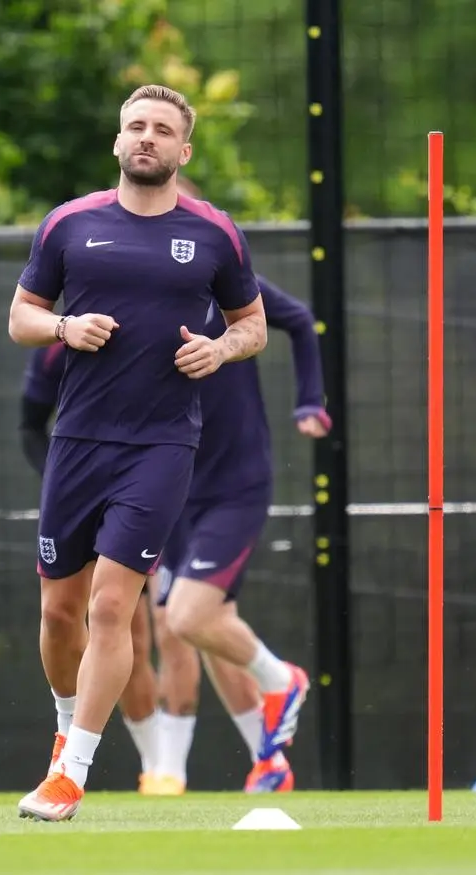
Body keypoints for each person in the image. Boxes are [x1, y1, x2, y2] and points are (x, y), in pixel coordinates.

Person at [7, 82, 271, 822]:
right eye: (135, 126)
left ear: (183, 150)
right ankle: (65, 734)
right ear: (117, 142)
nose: (146, 137)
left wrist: (219, 349)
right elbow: (21, 316)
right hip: (77, 441)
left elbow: (252, 326)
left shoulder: (215, 232)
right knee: (60, 612)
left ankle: (72, 775)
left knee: (114, 605)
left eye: (161, 129)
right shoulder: (67, 225)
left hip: (160, 445)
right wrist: (63, 328)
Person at [144, 177, 330, 796]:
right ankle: (269, 760)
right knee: (204, 623)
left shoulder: (221, 270)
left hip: (233, 481)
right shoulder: (122, 278)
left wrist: (310, 401)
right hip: (167, 483)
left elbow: (299, 321)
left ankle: (284, 681)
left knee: (190, 616)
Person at [19, 344, 164, 794]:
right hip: (74, 483)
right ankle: (66, 734)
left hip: (140, 486)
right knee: (62, 616)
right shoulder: (57, 346)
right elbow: (30, 424)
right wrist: (63, 482)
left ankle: (158, 767)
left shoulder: (161, 326)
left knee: (125, 623)